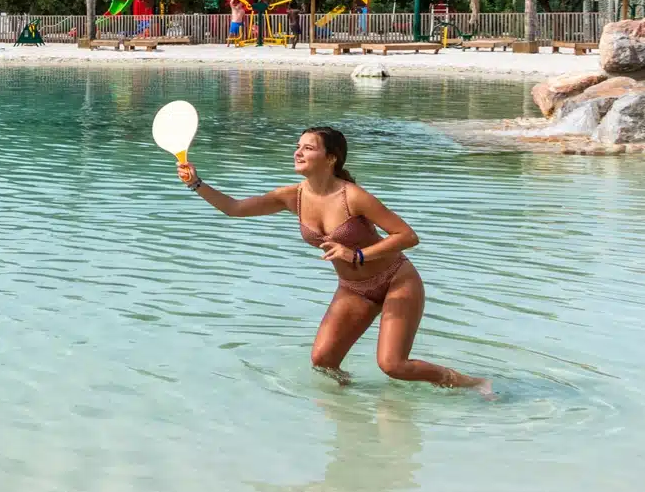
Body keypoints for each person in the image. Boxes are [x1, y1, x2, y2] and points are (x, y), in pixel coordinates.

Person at [177, 126, 487, 392]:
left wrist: (358, 254)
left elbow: (407, 236)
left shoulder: (352, 196)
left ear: (331, 158)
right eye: (297, 147)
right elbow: (235, 208)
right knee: (324, 362)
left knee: (393, 365)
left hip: (397, 281)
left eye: (308, 148)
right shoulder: (291, 196)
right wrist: (196, 183)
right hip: (354, 289)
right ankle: (351, 410)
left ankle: (472, 383)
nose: (298, 152)